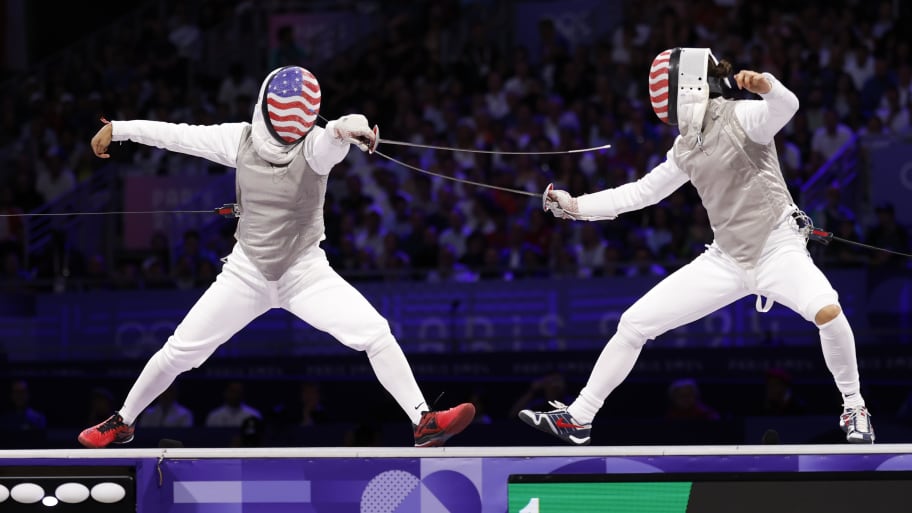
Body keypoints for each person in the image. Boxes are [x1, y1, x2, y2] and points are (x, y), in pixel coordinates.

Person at [78, 65, 474, 449]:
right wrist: (120, 129)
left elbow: (340, 127)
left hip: (304, 273)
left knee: (374, 333)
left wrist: (349, 128)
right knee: (180, 351)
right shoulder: (240, 139)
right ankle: (123, 421)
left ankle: (424, 420)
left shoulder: (317, 147)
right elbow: (178, 136)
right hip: (245, 273)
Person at [519, 47, 873, 445]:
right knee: (634, 324)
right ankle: (579, 418)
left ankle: (854, 406)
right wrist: (575, 207)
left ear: (683, 86)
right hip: (726, 259)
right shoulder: (686, 146)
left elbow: (786, 106)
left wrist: (767, 87)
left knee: (827, 310)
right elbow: (640, 193)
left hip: (777, 248)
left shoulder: (743, 115)